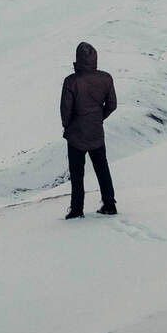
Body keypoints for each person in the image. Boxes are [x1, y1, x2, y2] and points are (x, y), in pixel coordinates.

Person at [60, 40, 117, 218]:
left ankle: (77, 209)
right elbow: (112, 105)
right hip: (96, 132)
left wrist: (68, 125)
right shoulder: (106, 78)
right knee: (102, 168)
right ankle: (109, 204)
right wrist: (98, 118)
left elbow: (65, 110)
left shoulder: (71, 81)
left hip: (76, 135)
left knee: (77, 174)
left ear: (78, 58)